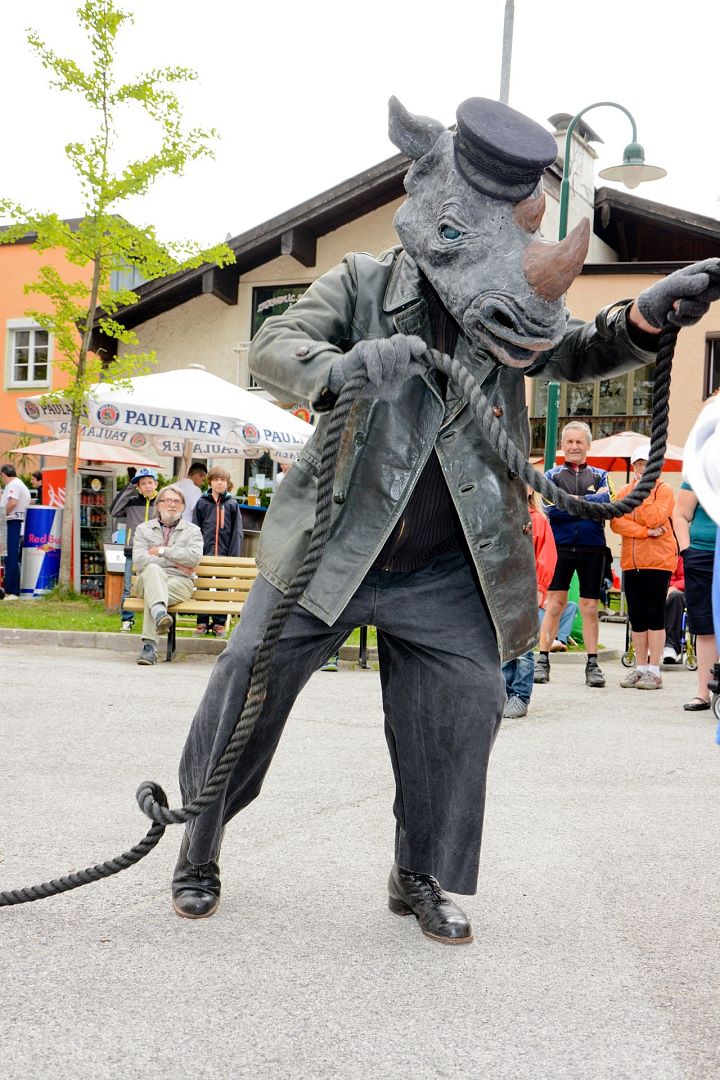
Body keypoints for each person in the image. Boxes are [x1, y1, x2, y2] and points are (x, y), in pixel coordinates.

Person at [169, 95, 718, 942]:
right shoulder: (360, 281)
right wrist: (345, 366)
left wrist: (643, 317)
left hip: (445, 566)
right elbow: (275, 345)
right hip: (330, 548)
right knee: (246, 678)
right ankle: (198, 844)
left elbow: (575, 348)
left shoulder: (507, 311)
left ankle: (416, 872)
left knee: (467, 702)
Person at [536, 422, 614, 688]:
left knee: (590, 607)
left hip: (593, 548)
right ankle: (543, 659)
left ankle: (592, 665)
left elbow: (607, 504)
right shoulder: (551, 475)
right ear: (562, 445)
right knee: (555, 604)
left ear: (588, 445)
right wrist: (587, 502)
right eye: (569, 441)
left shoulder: (601, 475)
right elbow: (552, 508)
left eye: (579, 442)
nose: (574, 446)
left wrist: (569, 500)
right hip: (559, 547)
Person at [610, 445, 676, 689]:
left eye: (647, 464)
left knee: (654, 614)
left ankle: (655, 671)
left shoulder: (663, 490)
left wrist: (643, 494)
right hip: (631, 561)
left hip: (658, 561)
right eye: (639, 464)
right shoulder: (625, 491)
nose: (642, 468)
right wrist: (645, 532)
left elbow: (656, 518)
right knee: (636, 616)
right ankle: (640, 668)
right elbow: (616, 523)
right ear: (633, 466)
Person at [132, 485, 203, 667]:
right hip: (147, 579)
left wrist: (162, 551)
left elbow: (193, 558)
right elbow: (139, 561)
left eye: (177, 501)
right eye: (168, 500)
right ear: (158, 505)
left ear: (183, 507)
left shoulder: (193, 531)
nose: (172, 504)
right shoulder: (143, 529)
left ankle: (149, 646)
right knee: (153, 570)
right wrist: (177, 562)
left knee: (154, 594)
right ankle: (160, 615)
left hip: (180, 583)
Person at [502, 489, 557, 718]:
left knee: (523, 648)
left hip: (527, 591)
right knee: (505, 646)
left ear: (531, 489)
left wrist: (539, 588)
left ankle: (520, 695)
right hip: (503, 590)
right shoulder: (501, 519)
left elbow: (547, 556)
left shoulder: (538, 520)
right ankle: (504, 694)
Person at [672, 482, 718, 710]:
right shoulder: (700, 471)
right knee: (704, 623)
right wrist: (686, 550)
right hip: (702, 555)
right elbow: (680, 513)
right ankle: (703, 693)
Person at [192, 466, 243, 637]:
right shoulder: (202, 503)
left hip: (224, 554)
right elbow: (195, 529)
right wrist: (196, 551)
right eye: (216, 480)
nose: (219, 483)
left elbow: (237, 532)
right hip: (204, 553)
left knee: (222, 589)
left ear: (227, 483)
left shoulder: (232, 504)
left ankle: (219, 623)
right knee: (203, 587)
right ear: (210, 482)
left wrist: (233, 557)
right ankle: (202, 621)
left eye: (223, 480)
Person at [110, 467, 159, 632]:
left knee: (153, 586)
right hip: (133, 550)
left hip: (154, 552)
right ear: (138, 487)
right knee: (128, 588)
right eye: (143, 483)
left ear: (156, 484)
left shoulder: (161, 503)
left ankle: (154, 619)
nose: (147, 486)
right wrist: (129, 486)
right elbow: (114, 510)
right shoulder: (131, 502)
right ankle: (127, 619)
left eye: (150, 482)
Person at [0, 464, 31, 599]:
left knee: (11, 557)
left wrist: (1, 516)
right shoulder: (18, 483)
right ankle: (10, 589)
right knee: (10, 557)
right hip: (15, 522)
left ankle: (12, 591)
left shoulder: (13, 484)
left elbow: (12, 502)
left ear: (3, 474)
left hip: (13, 522)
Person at [663, 554, 685, 664]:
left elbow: (685, 578)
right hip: (655, 588)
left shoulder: (678, 557)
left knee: (676, 596)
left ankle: (670, 646)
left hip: (675, 592)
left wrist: (674, 587)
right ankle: (647, 645)